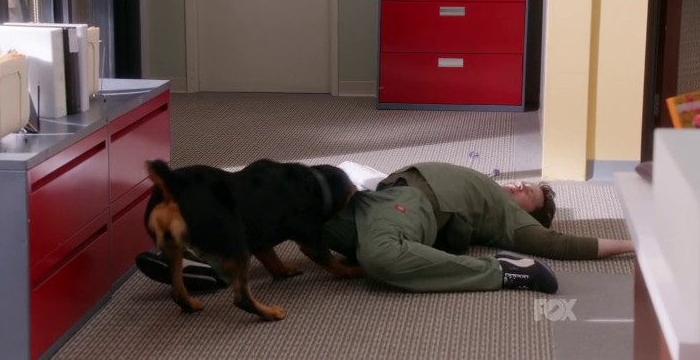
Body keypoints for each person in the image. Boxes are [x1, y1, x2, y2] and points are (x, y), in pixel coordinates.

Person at [135, 162, 634, 295]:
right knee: (283, 211)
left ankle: (504, 272)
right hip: (375, 198)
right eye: (526, 185)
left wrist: (636, 243)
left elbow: (560, 242)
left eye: (530, 196)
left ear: (527, 214)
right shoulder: (483, 178)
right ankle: (212, 266)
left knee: (380, 258)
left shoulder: (507, 217)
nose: (521, 188)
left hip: (411, 207)